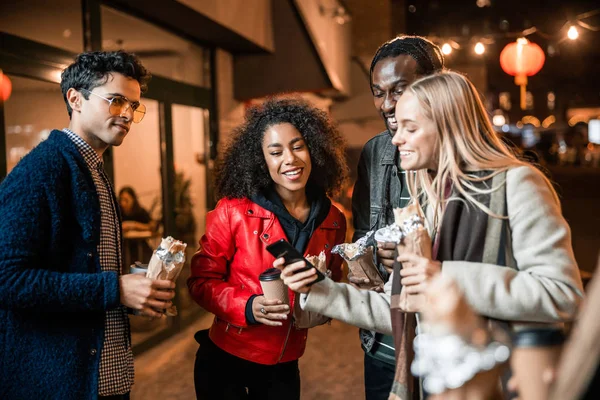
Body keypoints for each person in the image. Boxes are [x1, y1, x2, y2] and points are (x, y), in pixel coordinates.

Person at [279, 71, 583, 399]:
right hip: (438, 385)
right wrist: (321, 289)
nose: (396, 139)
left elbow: (562, 293)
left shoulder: (517, 184)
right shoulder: (426, 197)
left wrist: (443, 278)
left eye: (411, 127)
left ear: (449, 127)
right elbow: (407, 306)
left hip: (502, 382)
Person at [0, 51, 176, 400]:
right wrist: (115, 290)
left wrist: (134, 290)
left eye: (133, 106)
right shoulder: (41, 170)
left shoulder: (93, 169)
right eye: (115, 101)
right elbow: (7, 279)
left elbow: (88, 270)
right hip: (57, 383)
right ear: (75, 99)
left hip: (104, 376)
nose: (126, 114)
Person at [187, 97, 348, 399]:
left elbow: (333, 281)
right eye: (275, 151)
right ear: (261, 161)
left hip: (285, 365)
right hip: (225, 361)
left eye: (298, 146)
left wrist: (327, 300)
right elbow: (200, 282)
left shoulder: (334, 219)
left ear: (313, 148)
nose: (290, 158)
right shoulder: (233, 211)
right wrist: (248, 306)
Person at [350, 35, 445, 400]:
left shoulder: (466, 158)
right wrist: (376, 253)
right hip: (384, 347)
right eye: (378, 92)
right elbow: (362, 236)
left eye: (400, 89)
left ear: (435, 84)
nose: (387, 104)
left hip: (447, 348)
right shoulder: (376, 152)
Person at [119, 186, 157, 263]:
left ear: (133, 199)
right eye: (121, 200)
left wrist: (133, 225)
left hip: (140, 245)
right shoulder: (118, 212)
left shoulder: (140, 211)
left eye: (126, 200)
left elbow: (152, 225)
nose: (123, 203)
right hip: (124, 246)